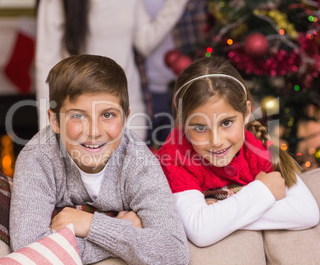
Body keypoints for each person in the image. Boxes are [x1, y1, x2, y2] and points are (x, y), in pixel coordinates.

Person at [10, 55, 189, 264]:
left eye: (108, 115)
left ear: (125, 118)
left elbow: (174, 252)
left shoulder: (138, 160)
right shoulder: (38, 158)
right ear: (55, 121)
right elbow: (30, 253)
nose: (94, 131)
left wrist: (91, 225)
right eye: (78, 115)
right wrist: (124, 231)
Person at [157, 56, 320, 247]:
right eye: (200, 128)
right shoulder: (175, 158)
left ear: (247, 112)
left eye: (226, 123)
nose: (216, 141)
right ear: (183, 124)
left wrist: (220, 213)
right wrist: (263, 191)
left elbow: (307, 213)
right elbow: (201, 231)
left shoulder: (257, 148)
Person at [35, 0, 191, 141]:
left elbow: (145, 42)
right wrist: (47, 131)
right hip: (80, 114)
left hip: (128, 109)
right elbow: (46, 64)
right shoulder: (55, 0)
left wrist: (177, 1)